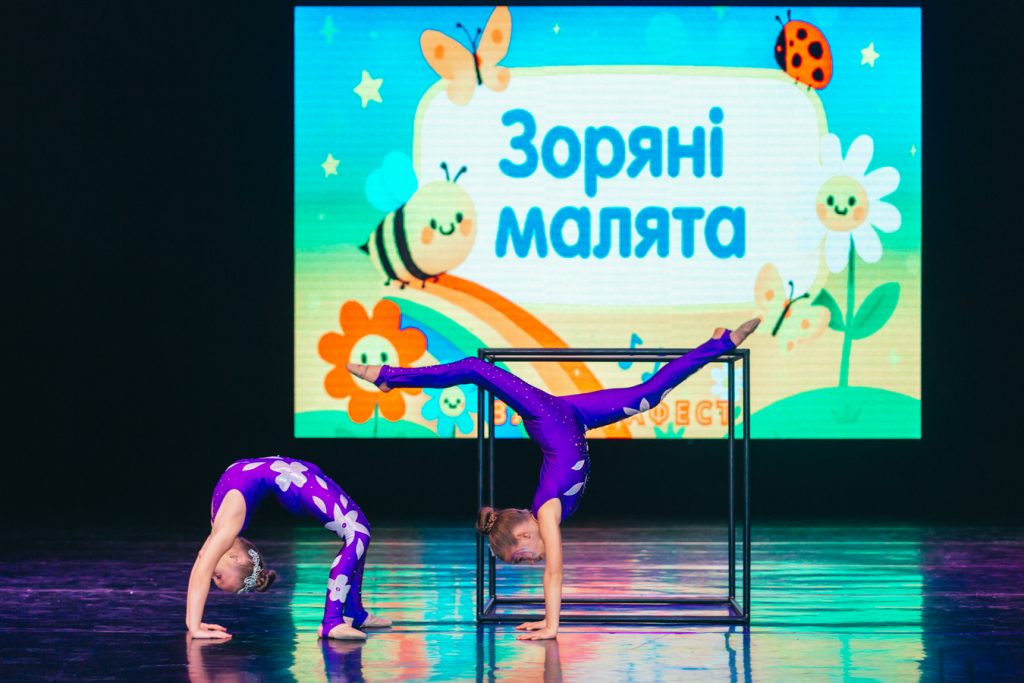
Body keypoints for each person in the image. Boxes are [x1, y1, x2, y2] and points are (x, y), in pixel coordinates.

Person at [348, 319, 759, 640]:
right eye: (523, 563)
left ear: (524, 534)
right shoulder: (548, 515)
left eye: (520, 557)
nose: (530, 562)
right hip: (574, 419)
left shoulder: (546, 514)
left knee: (475, 368)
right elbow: (552, 568)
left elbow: (556, 573)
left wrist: (551, 624)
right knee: (648, 396)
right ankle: (718, 343)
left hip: (546, 414)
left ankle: (388, 377)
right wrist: (547, 620)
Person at [185, 457, 391, 641]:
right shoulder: (221, 529)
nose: (212, 575)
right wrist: (193, 623)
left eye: (218, 577)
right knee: (358, 533)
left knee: (359, 532)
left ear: (236, 558)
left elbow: (201, 569)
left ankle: (341, 618)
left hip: (294, 477)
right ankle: (344, 616)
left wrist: (194, 627)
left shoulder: (226, 529)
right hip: (293, 476)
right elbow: (202, 563)